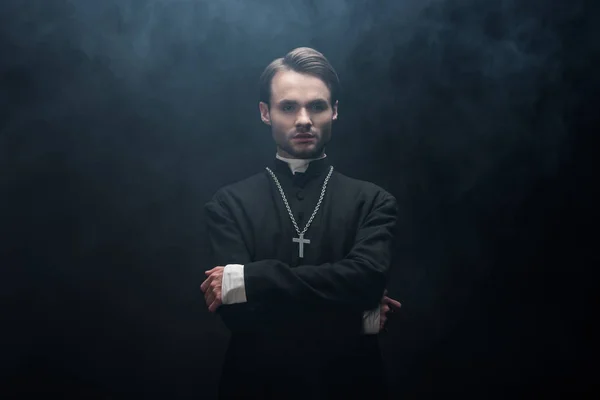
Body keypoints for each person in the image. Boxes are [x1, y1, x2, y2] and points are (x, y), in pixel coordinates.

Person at [201, 47, 401, 400]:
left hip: (353, 387)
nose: (304, 119)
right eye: (289, 106)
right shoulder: (228, 204)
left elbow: (367, 280)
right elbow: (239, 318)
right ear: (266, 113)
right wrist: (356, 319)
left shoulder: (373, 201)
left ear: (335, 111)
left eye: (318, 106)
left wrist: (252, 278)